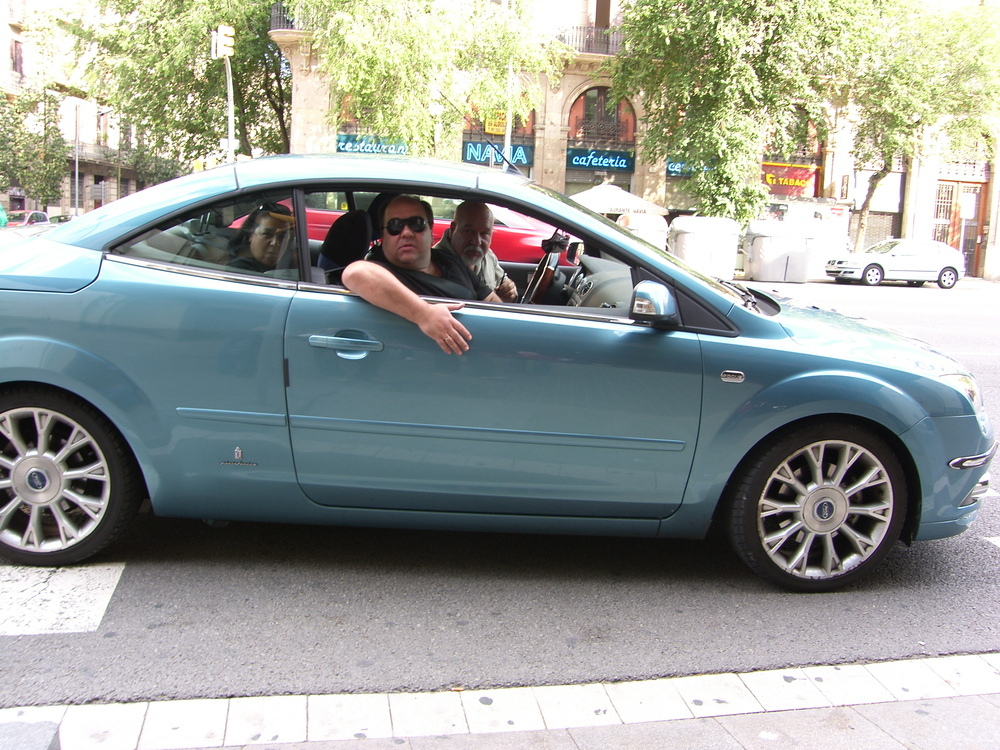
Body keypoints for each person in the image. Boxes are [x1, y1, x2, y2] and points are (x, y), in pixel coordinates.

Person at [342, 195, 502, 355]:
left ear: (431, 231)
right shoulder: (382, 271)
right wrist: (424, 314)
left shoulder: (448, 259)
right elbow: (354, 273)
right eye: (395, 226)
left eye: (416, 224)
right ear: (383, 237)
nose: (406, 232)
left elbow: (490, 299)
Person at [434, 201, 518, 302]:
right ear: (453, 229)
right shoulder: (434, 263)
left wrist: (509, 291)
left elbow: (504, 285)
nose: (477, 242)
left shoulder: (488, 256)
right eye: (469, 231)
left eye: (484, 233)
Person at [227, 203, 294, 273]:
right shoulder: (238, 270)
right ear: (251, 235)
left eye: (283, 236)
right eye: (267, 234)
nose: (275, 243)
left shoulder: (289, 265)